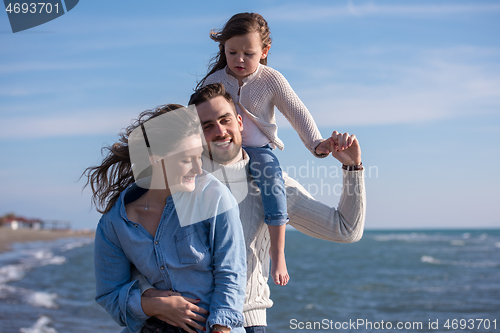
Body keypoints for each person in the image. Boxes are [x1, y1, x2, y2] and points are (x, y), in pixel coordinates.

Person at [140, 84, 366, 333]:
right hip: (183, 320)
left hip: (247, 322)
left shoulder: (273, 186)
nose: (220, 131)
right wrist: (150, 299)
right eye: (207, 126)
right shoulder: (181, 177)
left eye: (225, 120)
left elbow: (346, 230)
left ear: (239, 122)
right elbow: (141, 248)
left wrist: (352, 167)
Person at [197, 13, 334, 286]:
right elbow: (196, 117)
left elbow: (297, 112)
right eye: (232, 51)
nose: (239, 59)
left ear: (264, 51)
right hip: (221, 149)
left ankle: (278, 252)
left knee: (273, 184)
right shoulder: (214, 80)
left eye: (248, 53)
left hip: (259, 150)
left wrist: (317, 144)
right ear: (223, 49)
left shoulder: (271, 79)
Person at [83, 104, 247, 333]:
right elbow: (109, 293)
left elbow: (232, 274)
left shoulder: (214, 197)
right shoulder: (115, 222)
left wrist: (221, 329)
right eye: (186, 160)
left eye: (199, 156)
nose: (199, 169)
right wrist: (152, 304)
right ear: (155, 159)